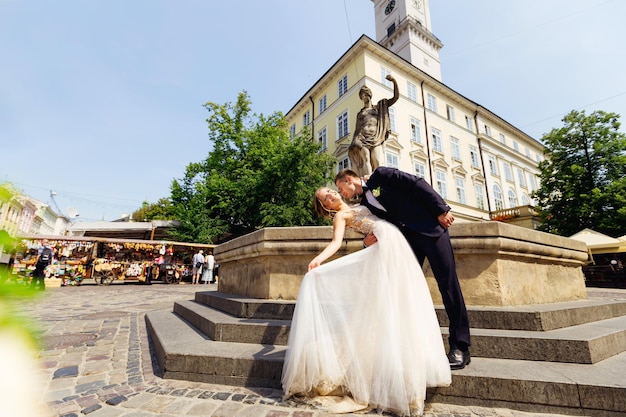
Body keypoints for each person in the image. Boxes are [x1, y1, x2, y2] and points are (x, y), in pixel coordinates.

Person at [282, 187, 451, 416]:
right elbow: (336, 243)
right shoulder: (341, 216)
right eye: (325, 198)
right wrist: (318, 260)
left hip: (395, 247)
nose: (331, 195)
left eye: (330, 191)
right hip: (386, 250)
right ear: (326, 207)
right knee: (388, 306)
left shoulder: (360, 203)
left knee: (404, 301)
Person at [335, 167, 471, 370]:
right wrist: (366, 243)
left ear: (348, 179)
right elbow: (378, 225)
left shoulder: (381, 175)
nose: (341, 194)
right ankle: (417, 348)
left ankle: (460, 347)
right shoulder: (364, 203)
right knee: (407, 292)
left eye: (340, 188)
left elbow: (417, 183)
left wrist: (441, 210)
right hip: (407, 243)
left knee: (448, 286)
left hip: (431, 229)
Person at [348, 75, 399, 178]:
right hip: (362, 138)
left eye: (365, 95)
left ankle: (379, 181)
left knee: (377, 161)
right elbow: (357, 129)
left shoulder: (380, 107)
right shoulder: (360, 113)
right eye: (362, 96)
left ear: (369, 95)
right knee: (366, 158)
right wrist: (355, 141)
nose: (364, 97)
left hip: (376, 138)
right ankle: (370, 182)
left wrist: (394, 81)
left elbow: (395, 98)